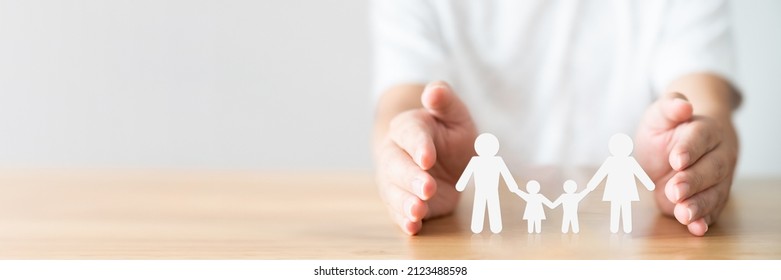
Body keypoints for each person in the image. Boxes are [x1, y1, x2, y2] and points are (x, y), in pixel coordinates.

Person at [371, 0, 740, 236]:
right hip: (482, 235)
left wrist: (693, 146)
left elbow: (704, 100)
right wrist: (412, 149)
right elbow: (403, 100)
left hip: (629, 239)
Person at [454, 133, 520, 234]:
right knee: (479, 207)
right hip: (480, 190)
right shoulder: (476, 161)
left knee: (492, 207)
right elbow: (467, 173)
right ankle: (478, 227)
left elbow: (505, 174)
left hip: (492, 190)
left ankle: (495, 226)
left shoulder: (497, 161)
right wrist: (461, 184)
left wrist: (512, 186)